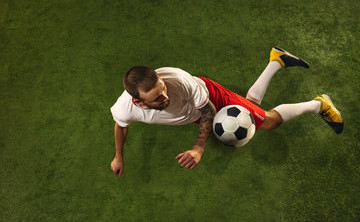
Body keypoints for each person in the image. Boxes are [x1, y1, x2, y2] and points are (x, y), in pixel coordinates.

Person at [110, 47, 344, 177]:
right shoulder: (125, 108)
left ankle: (319, 104)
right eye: (157, 98)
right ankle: (276, 60)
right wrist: (119, 156)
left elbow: (208, 111)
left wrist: (198, 148)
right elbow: (121, 125)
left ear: (161, 78)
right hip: (193, 112)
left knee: (267, 121)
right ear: (139, 103)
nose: (166, 97)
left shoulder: (180, 81)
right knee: (247, 109)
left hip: (209, 97)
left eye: (163, 88)